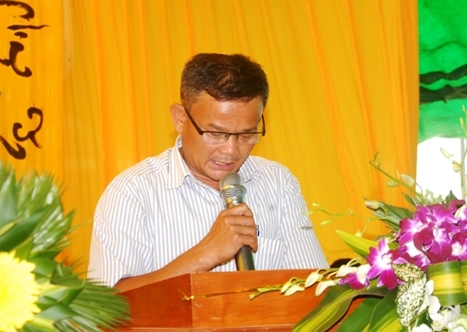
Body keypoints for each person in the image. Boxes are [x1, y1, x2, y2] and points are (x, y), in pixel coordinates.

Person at [88, 53, 328, 290]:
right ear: (180, 119)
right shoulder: (133, 192)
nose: (231, 150)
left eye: (246, 134)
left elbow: (317, 292)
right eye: (215, 133)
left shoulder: (278, 183)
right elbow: (105, 305)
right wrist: (205, 254)